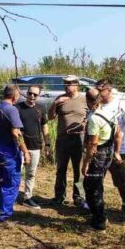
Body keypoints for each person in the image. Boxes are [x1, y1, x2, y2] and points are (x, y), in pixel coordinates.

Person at [0, 84, 31, 227]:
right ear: (15, 96)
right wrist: (25, 151)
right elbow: (15, 133)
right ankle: (2, 217)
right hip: (9, 152)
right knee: (10, 183)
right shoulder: (12, 110)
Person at [95, 79, 125, 214]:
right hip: (98, 149)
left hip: (118, 150)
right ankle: (97, 204)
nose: (97, 93)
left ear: (108, 90)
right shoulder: (96, 105)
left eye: (100, 90)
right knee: (96, 178)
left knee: (120, 179)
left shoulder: (121, 105)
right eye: (96, 89)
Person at [82, 88, 123, 230]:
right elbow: (118, 134)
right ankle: (98, 216)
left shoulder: (94, 118)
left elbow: (93, 143)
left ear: (88, 101)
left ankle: (99, 221)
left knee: (92, 188)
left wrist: (85, 163)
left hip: (98, 156)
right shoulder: (110, 114)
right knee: (97, 185)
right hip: (109, 152)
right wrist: (117, 152)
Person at [48, 75, 88, 208]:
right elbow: (50, 117)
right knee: (61, 169)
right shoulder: (60, 98)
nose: (67, 86)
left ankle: (79, 197)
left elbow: (92, 115)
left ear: (77, 85)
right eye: (65, 83)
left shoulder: (84, 99)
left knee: (79, 169)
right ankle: (59, 196)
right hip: (63, 139)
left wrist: (85, 126)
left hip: (79, 139)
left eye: (70, 83)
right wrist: (55, 104)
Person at [16, 85, 52, 209]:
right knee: (16, 173)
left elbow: (45, 127)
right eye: (30, 93)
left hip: (35, 146)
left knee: (31, 174)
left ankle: (27, 197)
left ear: (38, 96)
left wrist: (47, 144)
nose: (32, 96)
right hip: (19, 148)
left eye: (35, 94)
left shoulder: (40, 109)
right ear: (26, 93)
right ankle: (12, 196)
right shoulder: (18, 108)